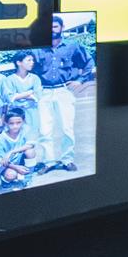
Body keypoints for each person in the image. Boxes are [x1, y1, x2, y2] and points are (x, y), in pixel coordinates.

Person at [36, 15, 93, 172]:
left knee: (67, 128)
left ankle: (67, 160)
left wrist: (80, 80)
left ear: (62, 28)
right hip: (43, 91)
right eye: (49, 27)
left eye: (55, 26)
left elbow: (88, 63)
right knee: (45, 129)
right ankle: (48, 162)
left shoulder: (72, 46)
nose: (52, 30)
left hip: (64, 90)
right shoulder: (38, 48)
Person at [0, 109, 41, 190]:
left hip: (20, 160)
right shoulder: (1, 139)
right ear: (6, 123)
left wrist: (11, 152)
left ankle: (27, 178)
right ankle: (5, 180)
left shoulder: (26, 130)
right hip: (6, 165)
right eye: (11, 123)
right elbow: (0, 161)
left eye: (18, 123)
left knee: (30, 152)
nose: (15, 126)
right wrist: (16, 167)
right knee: (11, 175)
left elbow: (30, 145)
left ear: (23, 121)